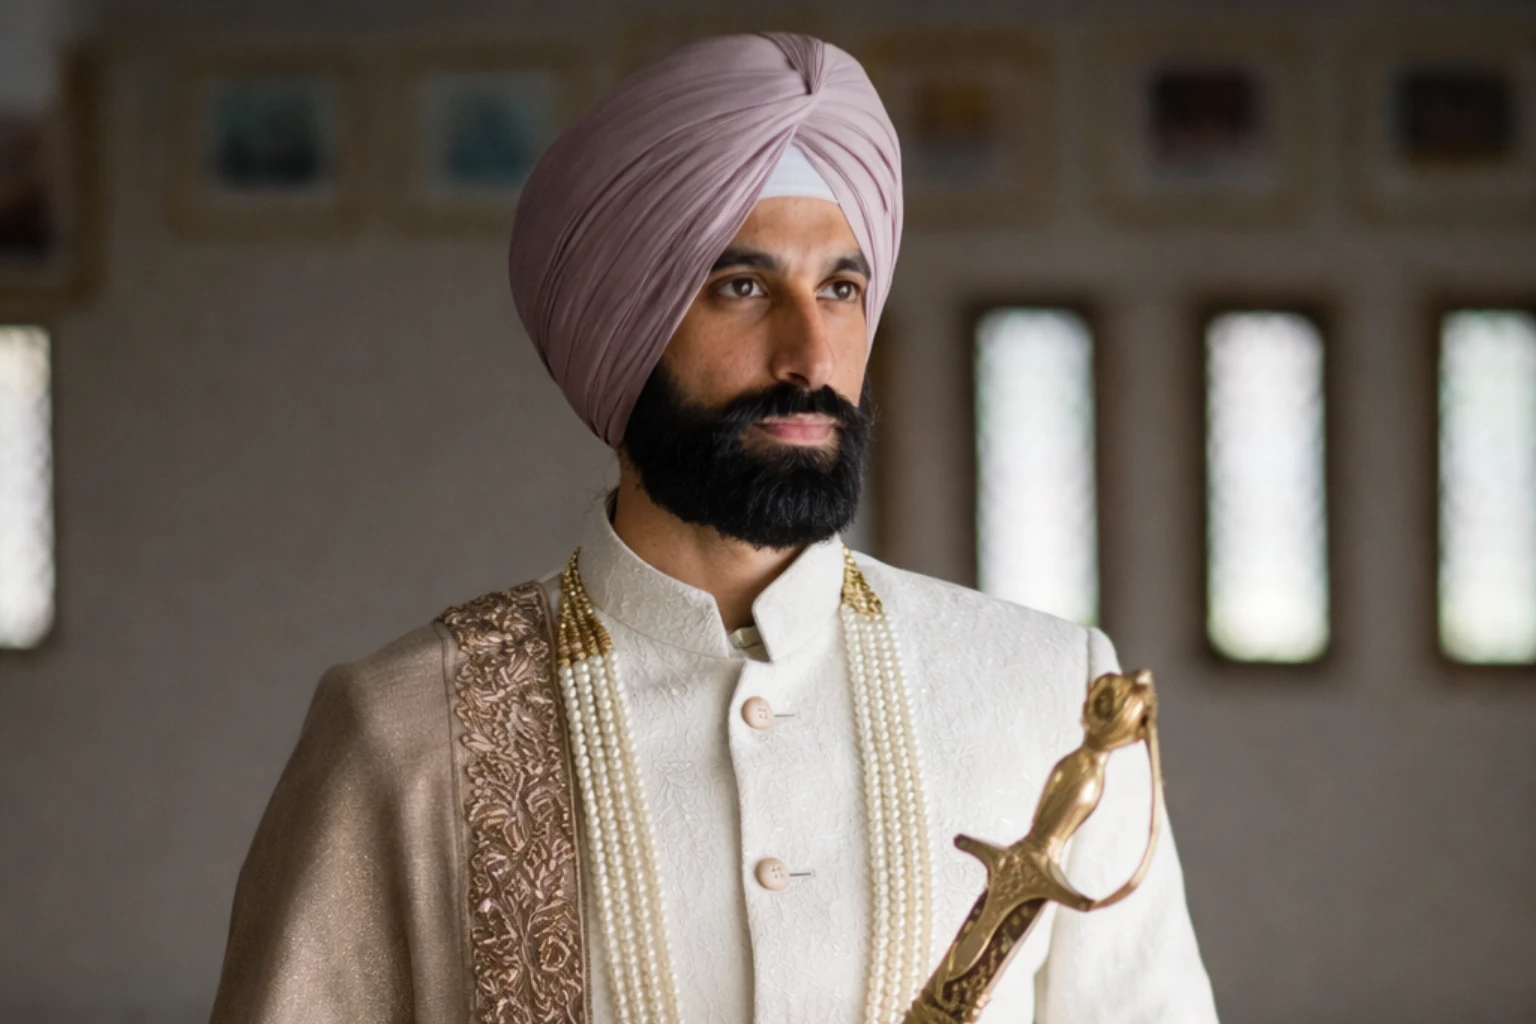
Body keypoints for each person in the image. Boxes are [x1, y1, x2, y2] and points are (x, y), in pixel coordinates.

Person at [209, 32, 1218, 1024]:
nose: (809, 352)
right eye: (742, 287)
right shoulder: (403, 729)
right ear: (623, 325)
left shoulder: (1052, 696)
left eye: (841, 288)